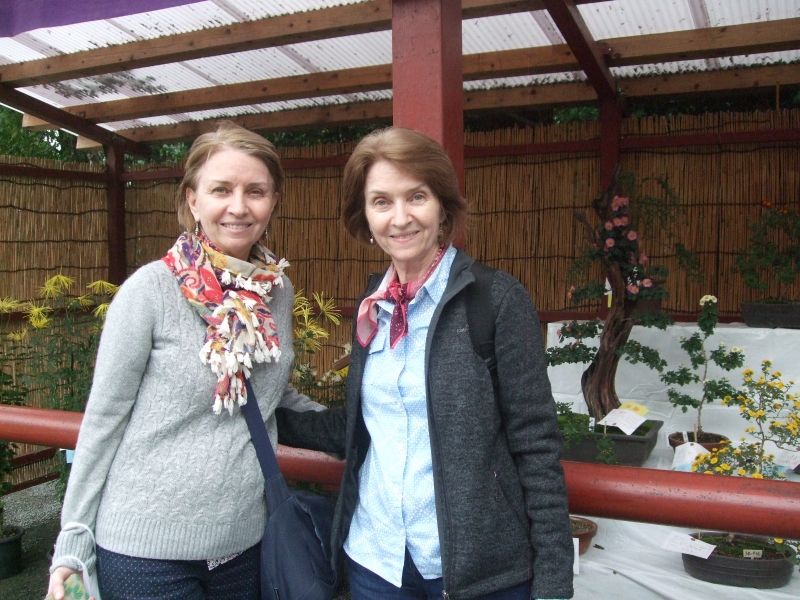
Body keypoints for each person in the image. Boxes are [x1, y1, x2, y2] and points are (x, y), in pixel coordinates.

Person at [277, 127, 574, 599]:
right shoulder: (374, 307)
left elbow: (536, 444)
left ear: (442, 206)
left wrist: (555, 583)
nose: (400, 218)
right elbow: (365, 425)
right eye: (381, 202)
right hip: (377, 564)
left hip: (479, 575)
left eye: (416, 196)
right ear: (365, 216)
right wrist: (265, 413)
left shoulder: (494, 300)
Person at [47, 121, 321, 600]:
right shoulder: (149, 291)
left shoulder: (275, 291)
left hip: (244, 546)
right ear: (193, 200)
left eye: (255, 191)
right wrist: (72, 546)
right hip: (145, 551)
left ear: (273, 201)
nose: (239, 206)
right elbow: (104, 421)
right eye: (221, 189)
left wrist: (366, 421)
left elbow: (268, 391)